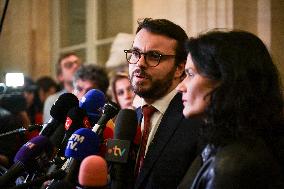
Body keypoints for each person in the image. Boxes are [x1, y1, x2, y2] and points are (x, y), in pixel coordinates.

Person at [176, 30, 284, 188]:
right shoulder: (221, 144)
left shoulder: (235, 164)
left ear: (226, 80)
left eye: (191, 74)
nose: (180, 86)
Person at [125, 18, 202, 189]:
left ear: (179, 68)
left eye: (154, 56)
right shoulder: (128, 119)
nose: (140, 63)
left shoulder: (196, 119)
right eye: (136, 53)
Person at [43, 53, 81, 123]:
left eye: (78, 64)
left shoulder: (90, 95)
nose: (75, 66)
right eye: (69, 65)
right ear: (60, 76)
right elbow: (49, 131)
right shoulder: (53, 100)